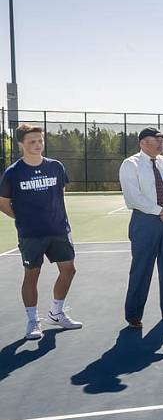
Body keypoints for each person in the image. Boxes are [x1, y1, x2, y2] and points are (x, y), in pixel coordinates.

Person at [0, 124, 83, 340]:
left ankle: (56, 313)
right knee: (32, 274)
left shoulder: (56, 167)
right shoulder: (13, 173)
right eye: (31, 142)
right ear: (21, 144)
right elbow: (3, 202)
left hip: (58, 230)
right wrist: (23, 218)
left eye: (40, 140)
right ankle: (33, 320)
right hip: (31, 234)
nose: (37, 145)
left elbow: (60, 194)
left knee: (69, 270)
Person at [119, 127, 163, 328]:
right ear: (143, 143)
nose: (161, 143)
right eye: (156, 139)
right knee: (141, 268)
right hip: (145, 222)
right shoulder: (130, 164)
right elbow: (133, 196)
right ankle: (133, 315)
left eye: (162, 140)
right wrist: (159, 210)